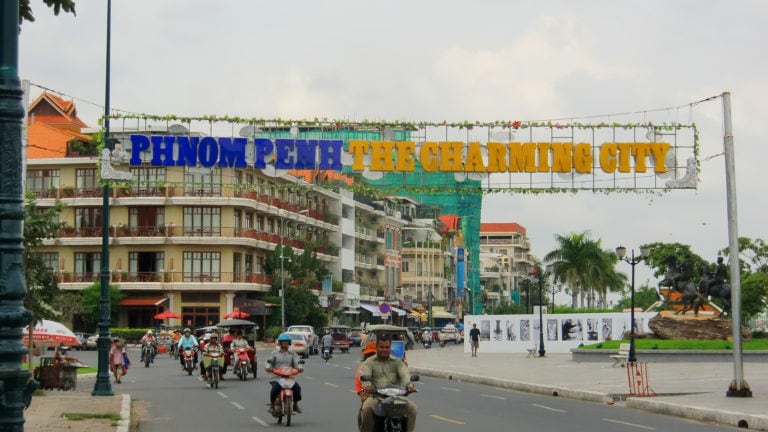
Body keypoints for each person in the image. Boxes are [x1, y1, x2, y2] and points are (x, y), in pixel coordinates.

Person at [358, 338, 417, 432]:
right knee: (366, 409)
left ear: (390, 348)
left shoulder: (398, 362)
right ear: (377, 348)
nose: (384, 349)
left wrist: (409, 385)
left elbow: (404, 374)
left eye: (387, 347)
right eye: (381, 347)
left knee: (412, 409)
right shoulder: (369, 362)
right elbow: (365, 375)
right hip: (376, 396)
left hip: (396, 397)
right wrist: (367, 386)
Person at [265, 333, 303, 414]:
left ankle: (295, 404)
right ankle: (272, 405)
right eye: (283, 342)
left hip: (289, 378)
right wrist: (268, 367)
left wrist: (300, 368)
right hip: (277, 377)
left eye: (287, 342)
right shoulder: (274, 353)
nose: (285, 343)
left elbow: (297, 362)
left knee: (297, 388)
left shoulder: (292, 353)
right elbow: (269, 361)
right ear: (280, 343)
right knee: (274, 390)